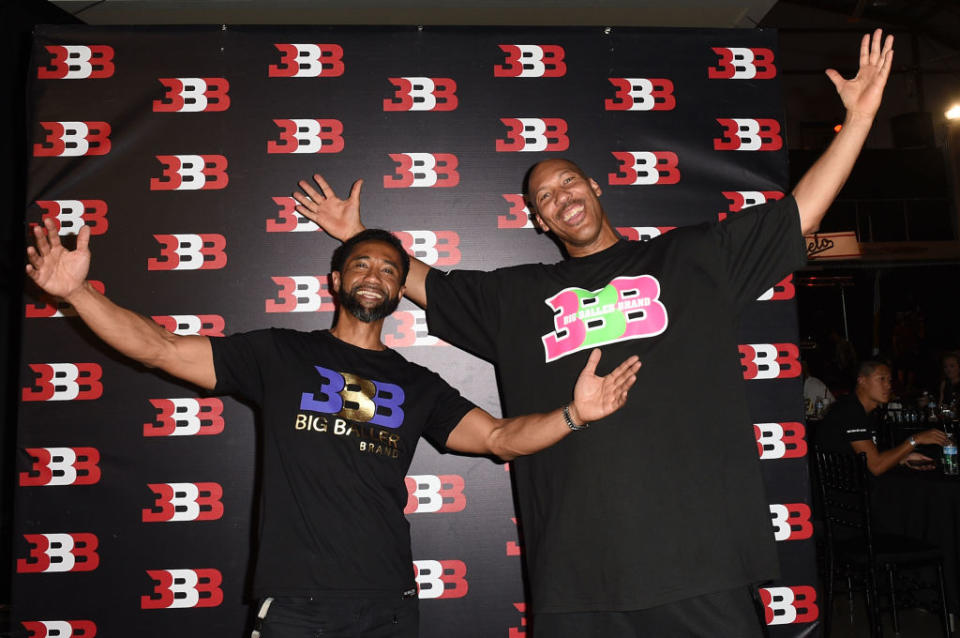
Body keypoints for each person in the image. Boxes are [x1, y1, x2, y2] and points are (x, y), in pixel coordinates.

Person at [294, 29, 895, 637]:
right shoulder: (518, 295)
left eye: (568, 183)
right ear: (537, 219)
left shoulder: (688, 258)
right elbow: (423, 280)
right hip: (578, 576)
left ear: (597, 187)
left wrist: (860, 120)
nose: (561, 198)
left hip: (699, 561)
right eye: (544, 197)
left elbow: (799, 213)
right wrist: (356, 234)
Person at [24, 223, 641, 637]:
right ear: (337, 280)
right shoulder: (278, 354)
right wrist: (79, 295)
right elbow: (159, 348)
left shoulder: (419, 383)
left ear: (401, 290)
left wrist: (573, 415)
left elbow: (501, 439)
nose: (374, 273)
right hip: (297, 606)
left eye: (389, 269)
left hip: (390, 604)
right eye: (360, 262)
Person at [816, 360, 948, 474]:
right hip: (849, 492)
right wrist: (915, 439)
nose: (888, 385)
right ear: (862, 380)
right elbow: (876, 466)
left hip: (856, 483)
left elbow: (871, 457)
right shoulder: (850, 411)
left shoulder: (868, 412)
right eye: (881, 379)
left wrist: (903, 458)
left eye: (889, 380)